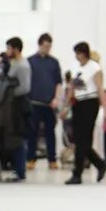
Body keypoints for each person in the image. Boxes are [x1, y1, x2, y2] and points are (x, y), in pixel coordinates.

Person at [65, 42, 106, 185]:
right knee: (79, 140)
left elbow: (100, 89)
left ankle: (77, 173)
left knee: (83, 139)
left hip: (90, 103)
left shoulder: (94, 68)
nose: (76, 56)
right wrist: (66, 106)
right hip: (78, 103)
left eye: (78, 53)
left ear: (83, 53)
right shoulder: (75, 67)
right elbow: (71, 87)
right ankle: (100, 164)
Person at [26, 34, 62, 169]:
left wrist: (56, 98)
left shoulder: (54, 62)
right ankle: (30, 159)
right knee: (32, 133)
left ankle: (52, 159)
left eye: (49, 46)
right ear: (40, 45)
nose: (47, 49)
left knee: (50, 133)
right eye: (46, 46)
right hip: (34, 103)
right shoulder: (30, 61)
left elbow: (58, 83)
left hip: (49, 104)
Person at [0, 37, 30, 177]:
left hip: (18, 105)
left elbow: (25, 87)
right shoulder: (14, 63)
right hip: (11, 105)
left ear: (16, 49)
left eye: (9, 48)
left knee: (17, 137)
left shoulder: (22, 65)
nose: (7, 51)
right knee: (11, 137)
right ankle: (17, 168)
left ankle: (21, 170)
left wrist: (10, 92)